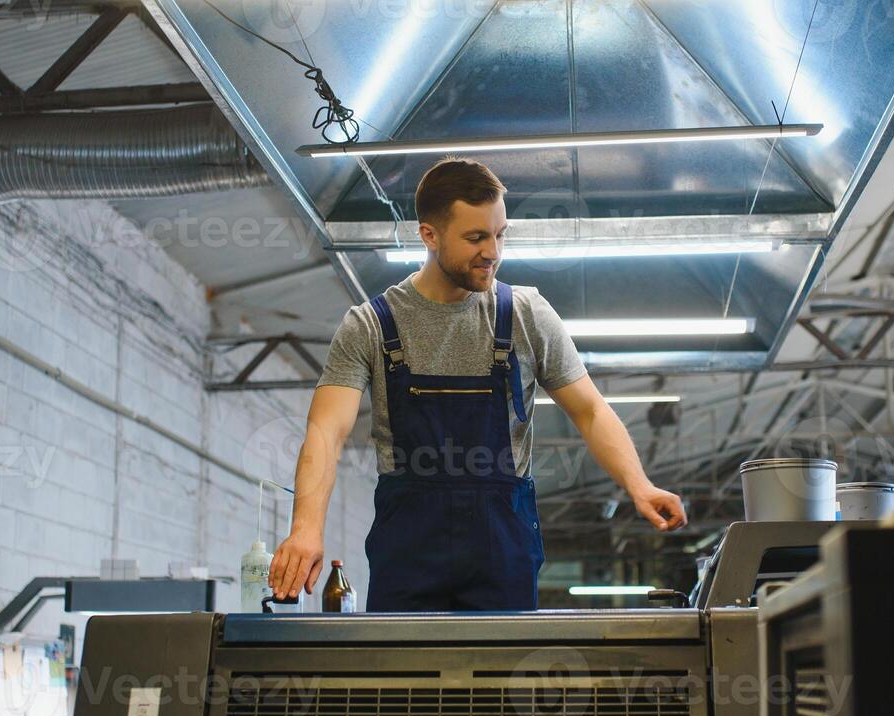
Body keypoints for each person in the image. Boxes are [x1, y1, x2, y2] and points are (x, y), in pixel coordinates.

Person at [269, 158, 686, 611]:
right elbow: (326, 432)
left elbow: (590, 410)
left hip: (502, 544)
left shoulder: (526, 314)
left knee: (500, 677)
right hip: (409, 546)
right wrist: (306, 527)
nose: (492, 251)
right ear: (429, 235)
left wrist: (639, 485)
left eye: (499, 234)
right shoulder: (369, 325)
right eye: (475, 238)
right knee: (399, 678)